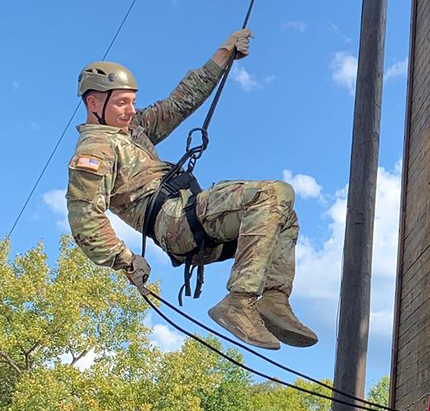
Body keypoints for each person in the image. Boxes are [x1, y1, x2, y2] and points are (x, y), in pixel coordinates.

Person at [66, 29, 316, 350]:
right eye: (121, 103)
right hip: (174, 223)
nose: (130, 110)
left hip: (190, 219)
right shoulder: (95, 149)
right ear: (93, 102)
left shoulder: (133, 130)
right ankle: (239, 301)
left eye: (132, 102)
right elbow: (84, 219)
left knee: (284, 214)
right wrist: (126, 260)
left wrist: (223, 55)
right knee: (273, 193)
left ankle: (273, 300)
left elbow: (181, 102)